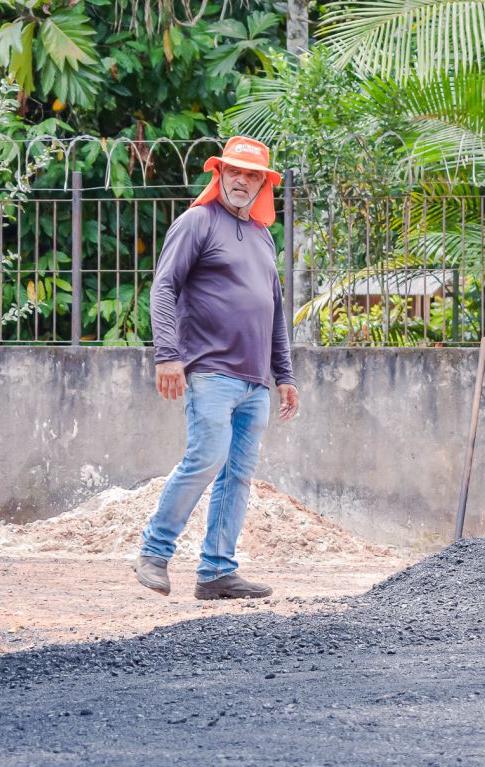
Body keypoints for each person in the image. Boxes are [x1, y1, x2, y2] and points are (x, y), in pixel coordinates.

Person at [132, 136, 299, 600]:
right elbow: (164, 288)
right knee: (205, 459)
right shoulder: (197, 222)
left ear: (263, 184)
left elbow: (274, 310)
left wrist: (284, 375)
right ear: (219, 174)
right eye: (234, 172)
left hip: (255, 382)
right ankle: (153, 551)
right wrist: (167, 355)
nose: (242, 181)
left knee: (238, 475)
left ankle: (217, 571)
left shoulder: (263, 236)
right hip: (210, 372)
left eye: (252, 175)